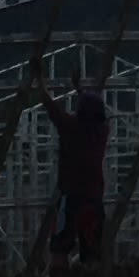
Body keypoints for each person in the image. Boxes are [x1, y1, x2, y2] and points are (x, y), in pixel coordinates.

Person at [37, 72, 113, 264]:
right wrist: (78, 88)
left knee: (61, 245)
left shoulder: (70, 127)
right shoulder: (102, 131)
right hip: (94, 197)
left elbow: (50, 105)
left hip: (70, 196)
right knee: (93, 248)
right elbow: (91, 109)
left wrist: (39, 77)